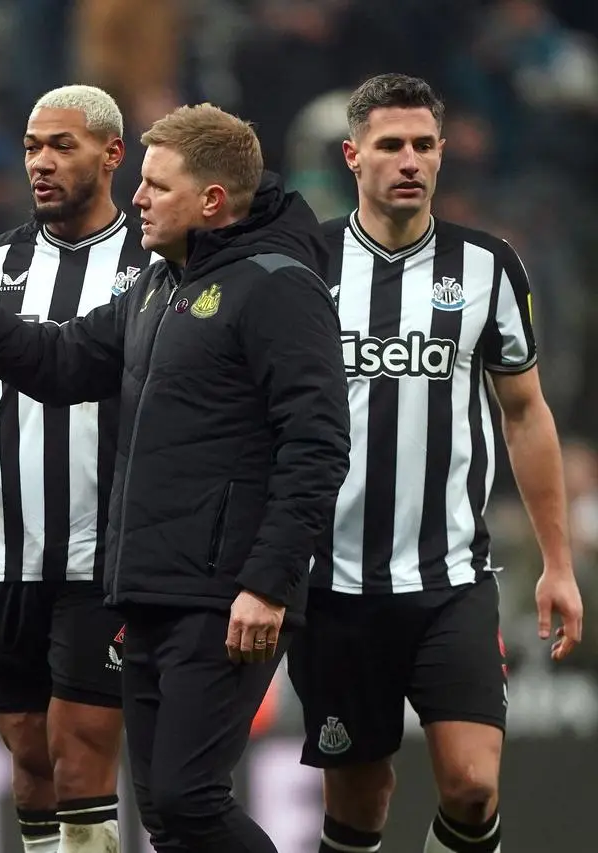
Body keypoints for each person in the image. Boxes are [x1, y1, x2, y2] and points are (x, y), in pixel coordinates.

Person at [0, 103, 351, 853]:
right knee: (167, 815)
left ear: (211, 201)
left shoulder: (278, 286)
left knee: (190, 798)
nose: (138, 198)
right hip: (146, 585)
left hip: (224, 590)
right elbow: (62, 359)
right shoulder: (158, 289)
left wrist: (267, 581)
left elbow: (319, 443)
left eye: (156, 186)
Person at [287, 73, 585, 853]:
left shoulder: (489, 267)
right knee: (361, 802)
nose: (409, 160)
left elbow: (526, 412)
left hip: (450, 577)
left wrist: (558, 561)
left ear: (444, 154)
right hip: (333, 584)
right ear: (353, 156)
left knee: (473, 780)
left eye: (424, 144)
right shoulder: (303, 267)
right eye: (391, 145)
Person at [0, 83, 154, 853]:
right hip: (11, 554)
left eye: (63, 145)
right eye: (32, 146)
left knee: (80, 749)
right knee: (28, 754)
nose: (42, 162)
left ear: (113, 154)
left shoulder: (154, 261)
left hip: (112, 555)